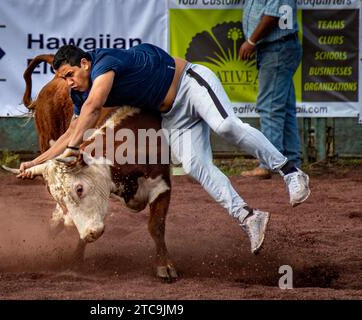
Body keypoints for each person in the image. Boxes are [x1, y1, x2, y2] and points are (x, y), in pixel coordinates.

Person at [18, 43, 310, 254]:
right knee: (195, 166)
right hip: (173, 115)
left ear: (84, 63)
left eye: (70, 75)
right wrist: (35, 163)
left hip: (190, 83)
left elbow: (94, 109)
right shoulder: (81, 92)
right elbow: (72, 130)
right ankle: (249, 217)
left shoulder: (104, 62)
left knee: (225, 126)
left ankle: (290, 171)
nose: (69, 83)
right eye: (63, 79)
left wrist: (70, 150)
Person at [239, 0, 302, 179]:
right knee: (284, 109)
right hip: (277, 47)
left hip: (277, 47)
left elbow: (273, 15)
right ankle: (291, 161)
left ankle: (270, 164)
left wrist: (251, 41)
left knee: (271, 108)